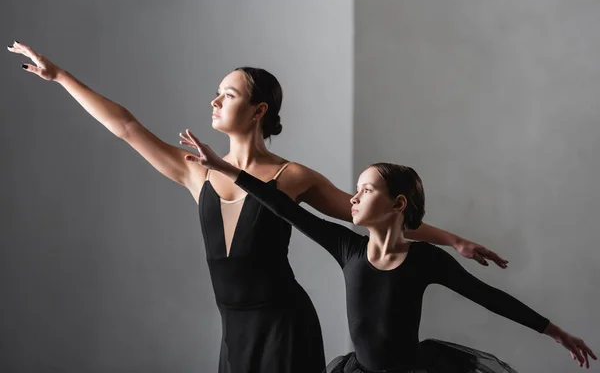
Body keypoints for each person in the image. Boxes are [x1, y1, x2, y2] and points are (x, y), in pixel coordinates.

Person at [8, 41, 508, 373]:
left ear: (258, 109)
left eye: (227, 94)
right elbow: (126, 126)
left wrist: (451, 240)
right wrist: (61, 77)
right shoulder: (195, 169)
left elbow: (375, 221)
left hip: (283, 325)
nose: (214, 101)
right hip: (234, 329)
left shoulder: (292, 177)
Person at [182, 135, 597, 372]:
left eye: (366, 190)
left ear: (397, 205)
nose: (355, 197)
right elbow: (284, 207)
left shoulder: (425, 260)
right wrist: (226, 169)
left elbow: (490, 298)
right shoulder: (347, 247)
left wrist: (555, 331)